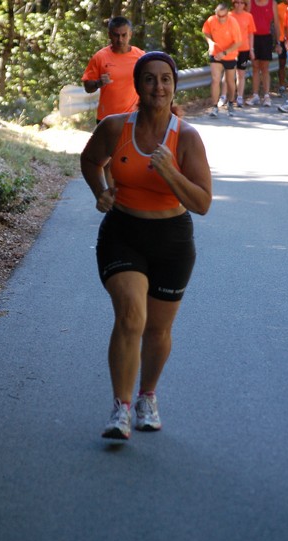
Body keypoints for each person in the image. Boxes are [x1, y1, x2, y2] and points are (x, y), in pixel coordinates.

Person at [80, 52, 212, 440]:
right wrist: (101, 192)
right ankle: (120, 409)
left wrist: (171, 172)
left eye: (166, 79)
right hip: (123, 233)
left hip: (172, 240)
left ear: (174, 86)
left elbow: (202, 203)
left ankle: (146, 397)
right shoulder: (114, 127)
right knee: (131, 317)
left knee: (157, 330)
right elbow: (90, 161)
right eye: (150, 79)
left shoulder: (186, 137)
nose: (159, 87)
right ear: (137, 86)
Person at [81, 16, 145, 122]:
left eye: (124, 35)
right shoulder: (100, 57)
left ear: (130, 35)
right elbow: (87, 87)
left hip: (133, 118)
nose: (120, 40)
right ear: (109, 35)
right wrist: (98, 83)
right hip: (107, 119)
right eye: (116, 35)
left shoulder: (141, 56)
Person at [202, 3, 242, 117]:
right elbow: (206, 31)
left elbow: (238, 42)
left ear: (227, 14)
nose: (221, 19)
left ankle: (230, 103)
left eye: (223, 16)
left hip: (229, 54)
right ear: (216, 14)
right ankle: (214, 107)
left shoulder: (233, 22)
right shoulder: (211, 20)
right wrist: (210, 43)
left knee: (230, 81)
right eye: (219, 16)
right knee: (215, 79)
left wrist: (224, 53)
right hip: (216, 54)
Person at [219, 0, 257, 107]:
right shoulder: (229, 15)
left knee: (241, 74)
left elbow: (250, 34)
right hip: (231, 49)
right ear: (233, 3)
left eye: (242, 3)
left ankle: (239, 97)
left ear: (245, 5)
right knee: (227, 73)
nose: (239, 5)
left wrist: (251, 49)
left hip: (244, 49)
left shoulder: (248, 16)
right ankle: (223, 96)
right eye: (237, 2)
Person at [246, 0, 282, 106]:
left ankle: (266, 96)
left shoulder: (272, 3)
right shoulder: (250, 2)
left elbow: (276, 23)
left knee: (265, 68)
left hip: (266, 38)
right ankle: (255, 95)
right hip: (253, 38)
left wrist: (278, 42)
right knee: (255, 67)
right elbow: (246, 22)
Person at [277, 0, 288, 93]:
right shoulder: (278, 7)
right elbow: (275, 24)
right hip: (282, 39)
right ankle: (281, 85)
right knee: (282, 63)